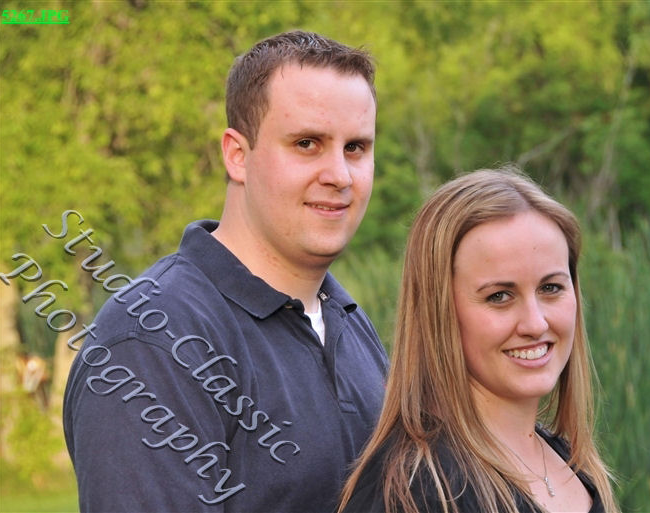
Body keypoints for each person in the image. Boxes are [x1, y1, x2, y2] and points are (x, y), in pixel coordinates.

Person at [63, 30, 388, 512]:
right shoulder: (152, 343)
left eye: (356, 148)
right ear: (237, 155)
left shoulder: (350, 324)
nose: (339, 175)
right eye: (307, 143)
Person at [338, 166, 619, 513]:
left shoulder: (574, 465)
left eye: (551, 288)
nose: (535, 323)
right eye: (499, 296)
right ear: (438, 314)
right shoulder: (418, 491)